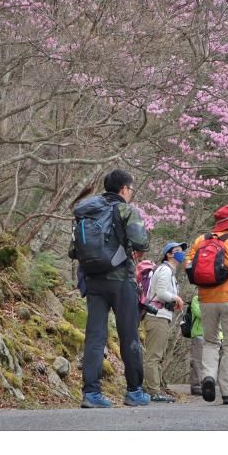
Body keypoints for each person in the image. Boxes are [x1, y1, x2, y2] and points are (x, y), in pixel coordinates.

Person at [70, 169, 151, 408]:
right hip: (120, 279)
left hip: (93, 279)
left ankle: (91, 393)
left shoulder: (88, 211)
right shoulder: (125, 210)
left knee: (95, 336)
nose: (131, 193)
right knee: (129, 335)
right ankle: (134, 391)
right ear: (124, 189)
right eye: (131, 189)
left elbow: (73, 250)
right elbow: (141, 241)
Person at [186, 204, 228, 405]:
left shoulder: (201, 240)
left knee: (210, 341)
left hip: (206, 299)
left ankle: (208, 376)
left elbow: (189, 265)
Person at [142, 241, 186, 402]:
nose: (181, 253)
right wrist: (176, 298)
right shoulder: (165, 270)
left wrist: (173, 301)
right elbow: (160, 293)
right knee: (154, 355)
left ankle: (157, 387)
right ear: (168, 254)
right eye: (177, 250)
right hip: (156, 316)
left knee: (158, 355)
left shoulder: (170, 273)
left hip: (162, 316)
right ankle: (153, 391)